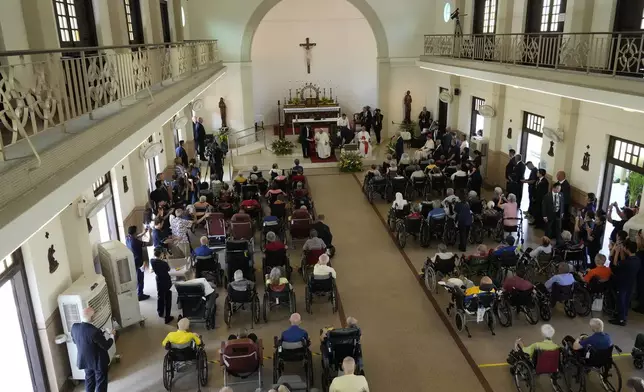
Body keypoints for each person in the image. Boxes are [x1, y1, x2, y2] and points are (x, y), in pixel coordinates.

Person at [71, 307, 114, 392]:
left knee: (89, 381)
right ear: (92, 317)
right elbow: (106, 346)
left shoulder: (74, 327)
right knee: (101, 382)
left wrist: (102, 331)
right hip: (99, 362)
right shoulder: (94, 331)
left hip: (86, 360)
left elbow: (76, 341)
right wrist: (112, 335)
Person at [610, 240, 640, 326]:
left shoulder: (627, 263)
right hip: (630, 283)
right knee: (626, 300)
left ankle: (621, 319)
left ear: (627, 249)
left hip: (622, 283)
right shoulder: (637, 260)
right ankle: (623, 315)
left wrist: (617, 252)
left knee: (621, 300)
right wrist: (622, 252)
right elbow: (623, 262)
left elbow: (615, 265)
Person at [150, 248, 175, 324]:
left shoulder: (152, 261)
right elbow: (168, 269)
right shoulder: (163, 263)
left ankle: (160, 312)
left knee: (160, 296)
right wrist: (166, 259)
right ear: (161, 254)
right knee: (168, 299)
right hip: (166, 281)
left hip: (159, 280)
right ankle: (167, 317)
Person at [126, 225, 150, 301]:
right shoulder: (136, 242)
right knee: (140, 278)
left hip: (132, 261)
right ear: (135, 232)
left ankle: (138, 293)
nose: (137, 232)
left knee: (136, 277)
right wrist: (150, 234)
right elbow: (149, 243)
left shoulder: (128, 238)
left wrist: (143, 232)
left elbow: (136, 236)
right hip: (138, 261)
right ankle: (140, 294)